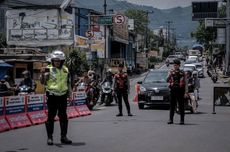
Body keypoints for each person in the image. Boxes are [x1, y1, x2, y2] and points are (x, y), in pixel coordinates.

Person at [40, 50, 72, 145]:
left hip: (63, 96)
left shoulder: (65, 69)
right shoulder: (47, 69)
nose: (57, 62)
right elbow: (42, 82)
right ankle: (50, 137)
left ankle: (64, 137)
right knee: (51, 116)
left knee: (63, 117)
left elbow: (68, 82)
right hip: (52, 96)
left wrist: (70, 94)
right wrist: (42, 75)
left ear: (62, 61)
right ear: (52, 60)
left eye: (59, 61)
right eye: (55, 60)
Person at [167, 59, 187, 125]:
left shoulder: (183, 73)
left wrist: (186, 92)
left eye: (176, 65)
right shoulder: (171, 72)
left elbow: (186, 83)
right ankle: (170, 119)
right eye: (174, 65)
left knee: (181, 106)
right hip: (173, 90)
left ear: (179, 65)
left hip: (180, 91)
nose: (175, 66)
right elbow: (167, 80)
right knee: (172, 106)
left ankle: (182, 120)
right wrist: (169, 74)